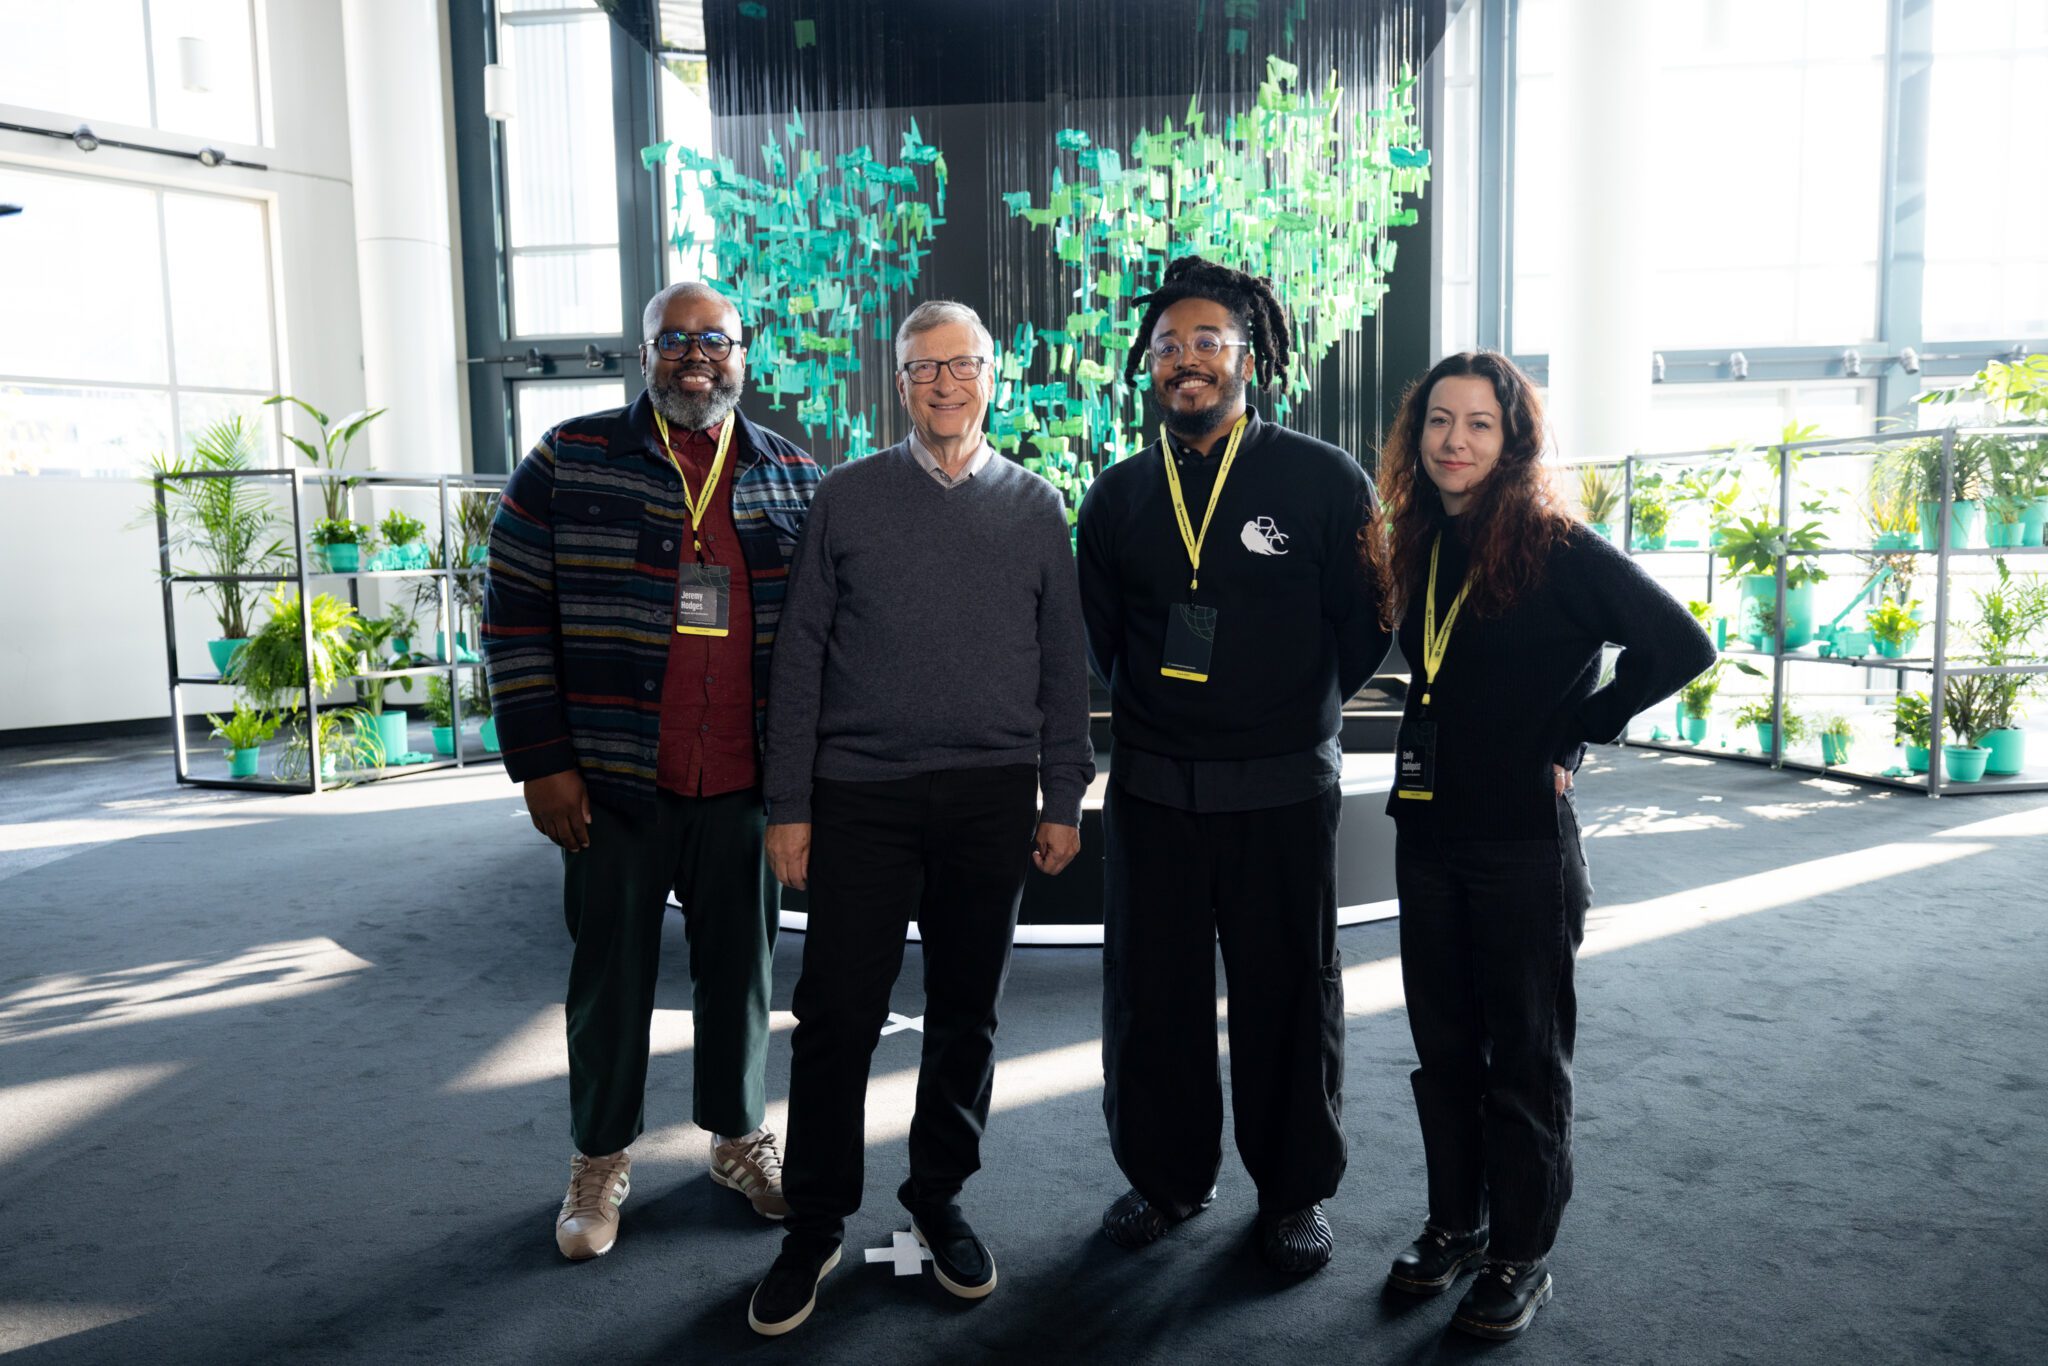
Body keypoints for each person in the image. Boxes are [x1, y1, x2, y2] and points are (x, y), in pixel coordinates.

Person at [745, 300, 1095, 1336]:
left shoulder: (1036, 505)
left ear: (993, 375)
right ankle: (811, 1224)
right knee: (835, 1017)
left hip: (990, 796)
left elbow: (1064, 665)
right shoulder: (847, 498)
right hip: (859, 797)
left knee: (966, 1014)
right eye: (920, 369)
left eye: (960, 366)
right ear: (896, 383)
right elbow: (798, 656)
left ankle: (938, 1197)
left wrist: (1063, 795)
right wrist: (789, 805)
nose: (942, 384)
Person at [1364, 351, 1714, 1339]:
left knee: (1522, 1055)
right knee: (1442, 1047)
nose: (1454, 441)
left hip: (1519, 842)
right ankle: (1455, 1223)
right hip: (1426, 831)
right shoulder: (1424, 541)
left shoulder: (1557, 546)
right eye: (1438, 421)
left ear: (1512, 440)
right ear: (1417, 433)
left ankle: (1521, 1250)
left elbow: (1679, 643)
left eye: (1478, 424)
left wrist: (1579, 732)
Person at [482, 282, 822, 1261]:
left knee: (741, 975)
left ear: (743, 353)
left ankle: (736, 1136)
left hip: (745, 784)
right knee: (609, 979)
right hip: (612, 781)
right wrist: (541, 763)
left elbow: (821, 645)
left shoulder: (793, 475)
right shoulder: (568, 459)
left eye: (713, 339)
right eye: (673, 340)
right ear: (644, 354)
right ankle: (598, 1159)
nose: (694, 356)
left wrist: (804, 784)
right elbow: (510, 616)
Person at [1076, 256, 1391, 1275]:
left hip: (1281, 792)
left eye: (1208, 341)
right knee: (1150, 998)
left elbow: (1364, 626)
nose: (1186, 361)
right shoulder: (1119, 494)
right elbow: (1102, 637)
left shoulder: (1320, 477)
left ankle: (1292, 1190)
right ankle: (1167, 1178)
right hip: (1154, 792)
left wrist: (1284, 709)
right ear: (1148, 366)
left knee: (1288, 994)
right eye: (1167, 346)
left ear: (1250, 356)